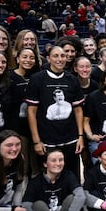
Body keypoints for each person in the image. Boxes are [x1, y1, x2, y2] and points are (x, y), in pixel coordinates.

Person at [26, 45, 85, 180]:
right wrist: (36, 141)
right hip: (47, 140)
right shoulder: (37, 79)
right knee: (49, 179)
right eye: (56, 56)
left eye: (63, 56)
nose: (60, 59)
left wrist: (80, 136)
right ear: (48, 58)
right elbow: (31, 111)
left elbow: (78, 109)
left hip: (71, 139)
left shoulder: (72, 79)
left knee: (72, 176)